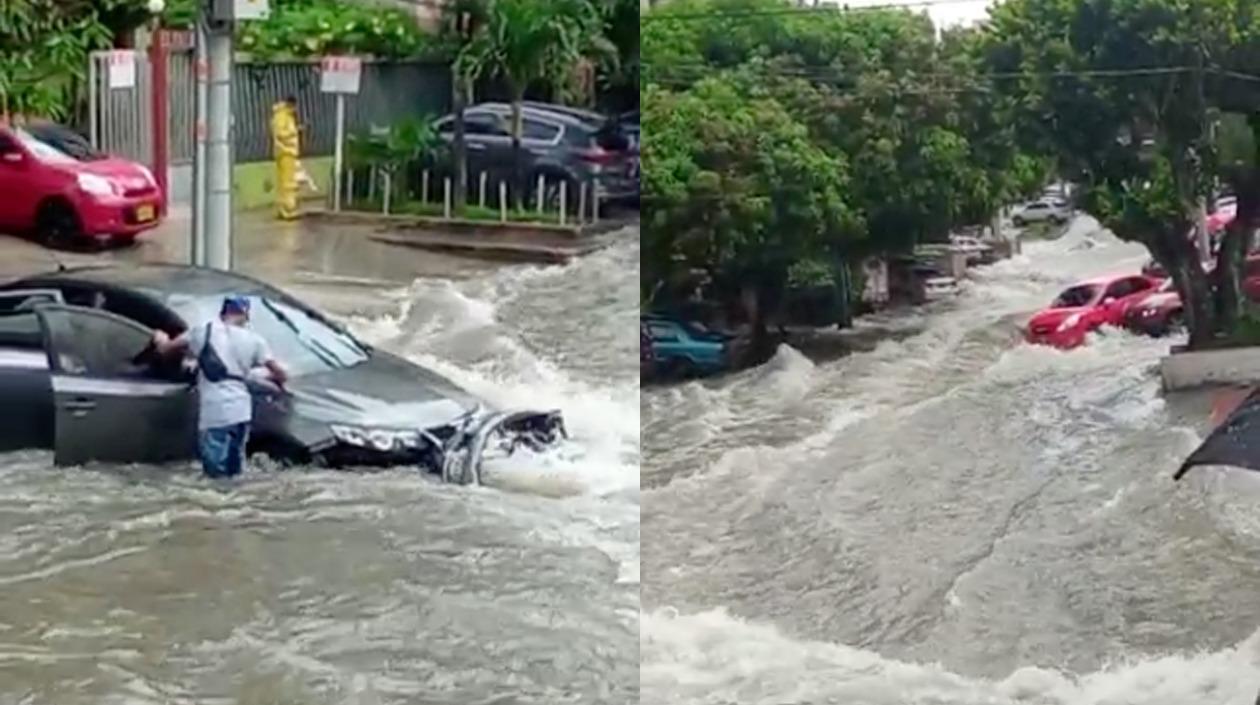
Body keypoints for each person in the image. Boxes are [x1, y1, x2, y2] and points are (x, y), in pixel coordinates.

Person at [152, 296, 288, 478]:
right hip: (241, 412)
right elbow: (281, 374)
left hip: (215, 412)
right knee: (235, 470)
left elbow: (166, 350)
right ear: (245, 316)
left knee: (214, 474)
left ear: (222, 313)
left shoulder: (202, 332)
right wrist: (259, 376)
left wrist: (160, 338)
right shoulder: (255, 341)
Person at [270, 95, 301, 220]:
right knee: (287, 183)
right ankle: (288, 209)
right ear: (291, 105)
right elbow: (279, 133)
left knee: (284, 183)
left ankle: (283, 209)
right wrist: (294, 132)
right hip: (286, 151)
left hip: (286, 152)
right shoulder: (282, 116)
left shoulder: (285, 115)